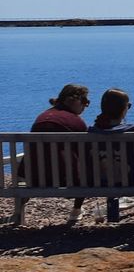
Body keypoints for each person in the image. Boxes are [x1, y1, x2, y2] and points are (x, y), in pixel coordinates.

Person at [88, 88, 134, 224]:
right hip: (133, 180)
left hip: (99, 180)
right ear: (123, 109)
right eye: (128, 106)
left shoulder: (92, 132)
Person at [26, 84, 91, 222]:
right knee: (87, 164)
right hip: (68, 179)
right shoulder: (76, 122)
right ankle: (76, 210)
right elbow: (85, 152)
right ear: (74, 100)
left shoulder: (41, 118)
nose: (86, 106)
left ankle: (19, 211)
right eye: (85, 102)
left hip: (34, 177)